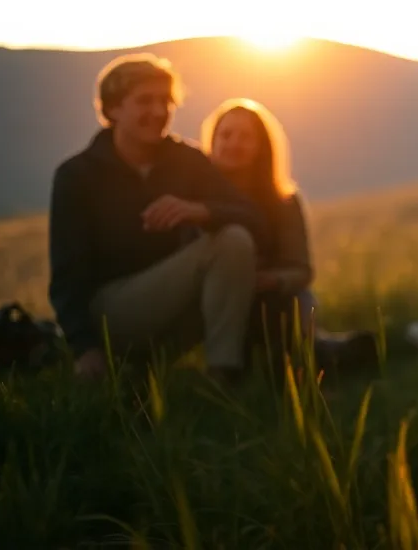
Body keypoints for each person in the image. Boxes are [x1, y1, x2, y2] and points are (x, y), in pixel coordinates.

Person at [48, 54, 266, 385]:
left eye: (165, 101)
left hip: (171, 308)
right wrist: (85, 349)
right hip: (111, 316)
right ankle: (134, 366)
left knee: (235, 240)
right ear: (113, 109)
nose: (158, 112)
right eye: (144, 101)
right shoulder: (77, 176)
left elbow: (254, 218)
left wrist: (202, 211)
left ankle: (223, 377)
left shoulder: (186, 160)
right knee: (229, 243)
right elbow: (67, 277)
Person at [202, 98, 375, 371]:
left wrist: (271, 279)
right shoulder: (197, 196)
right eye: (225, 135)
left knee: (296, 305)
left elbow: (302, 270)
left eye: (245, 137)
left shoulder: (283, 201)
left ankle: (316, 361)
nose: (233, 143)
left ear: (262, 147)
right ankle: (332, 353)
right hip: (213, 300)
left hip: (270, 300)